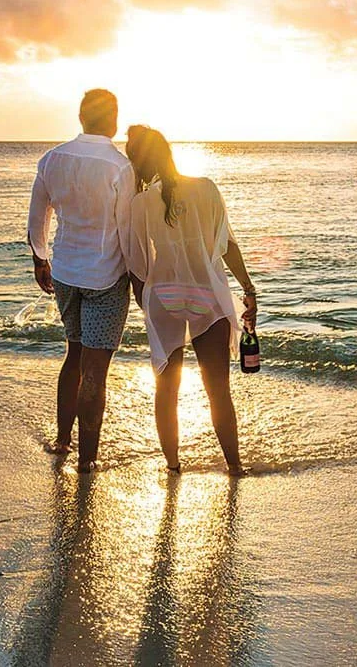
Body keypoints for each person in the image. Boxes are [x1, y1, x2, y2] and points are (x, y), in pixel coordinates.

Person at [124, 125, 258, 476]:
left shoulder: (140, 203)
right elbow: (226, 244)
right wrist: (248, 290)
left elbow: (137, 267)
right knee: (218, 390)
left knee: (167, 388)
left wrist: (147, 305)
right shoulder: (206, 188)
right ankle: (235, 466)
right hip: (207, 294)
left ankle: (173, 466)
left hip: (165, 296)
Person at [27, 88, 135, 472]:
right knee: (96, 370)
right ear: (114, 119)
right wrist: (138, 277)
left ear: (80, 116)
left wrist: (40, 259)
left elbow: (38, 216)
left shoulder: (52, 159)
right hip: (105, 276)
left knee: (73, 354)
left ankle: (62, 441)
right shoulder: (120, 166)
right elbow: (127, 229)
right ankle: (88, 461)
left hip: (66, 273)